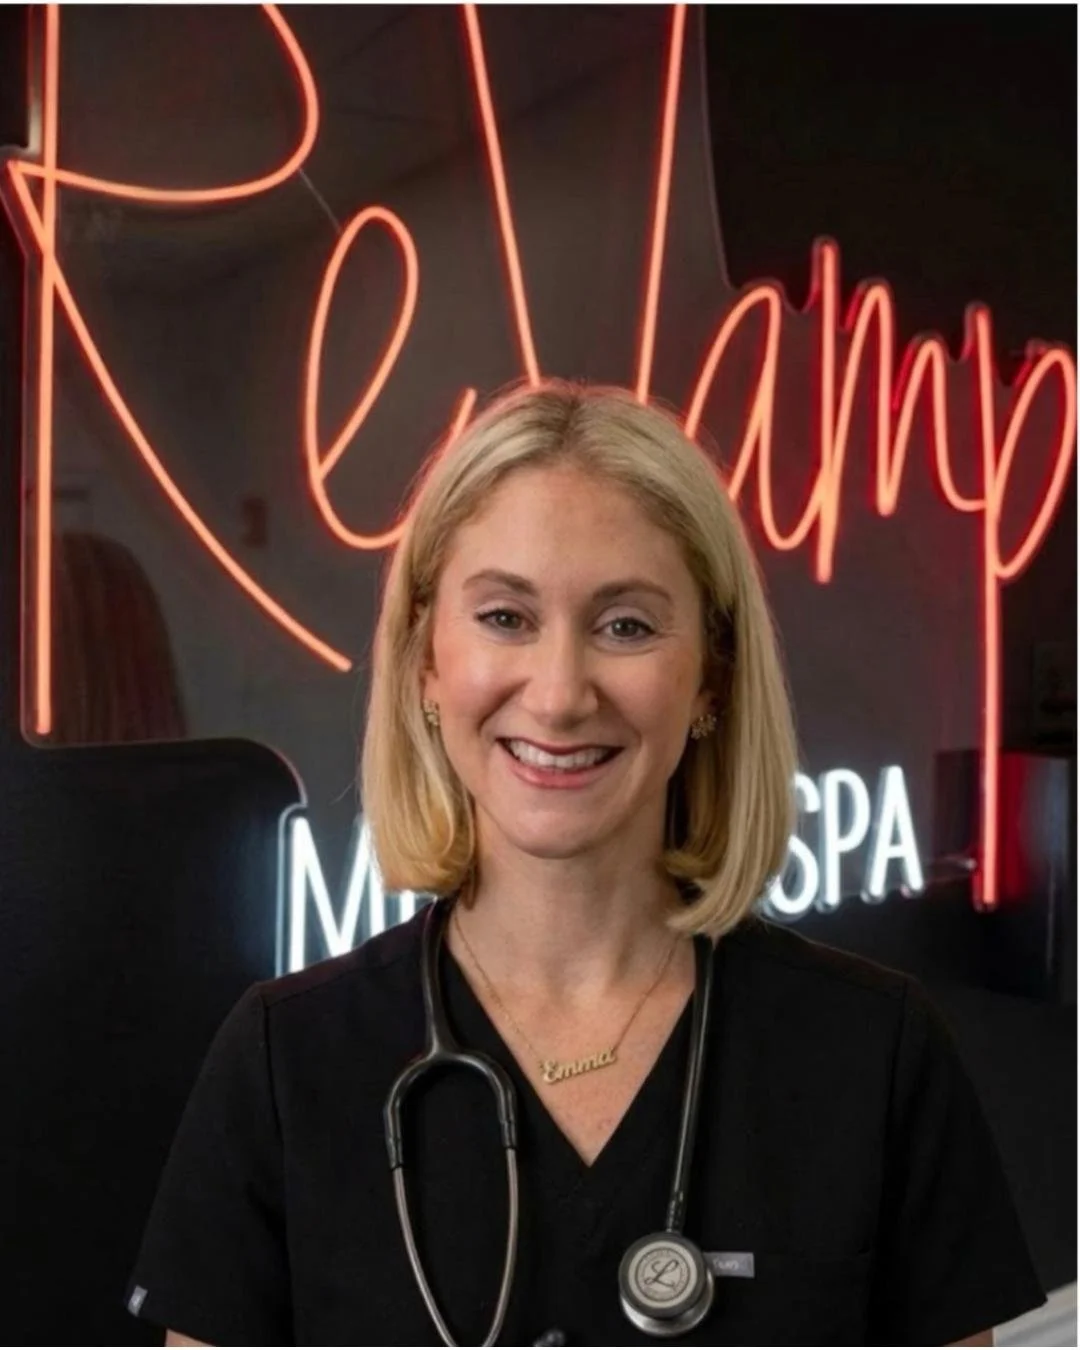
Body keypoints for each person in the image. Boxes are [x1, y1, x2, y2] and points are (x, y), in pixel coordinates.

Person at [126, 382, 1044, 1346]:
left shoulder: (877, 1056)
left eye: (627, 626)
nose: (560, 696)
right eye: (505, 618)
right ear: (426, 664)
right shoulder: (282, 1064)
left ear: (711, 681)